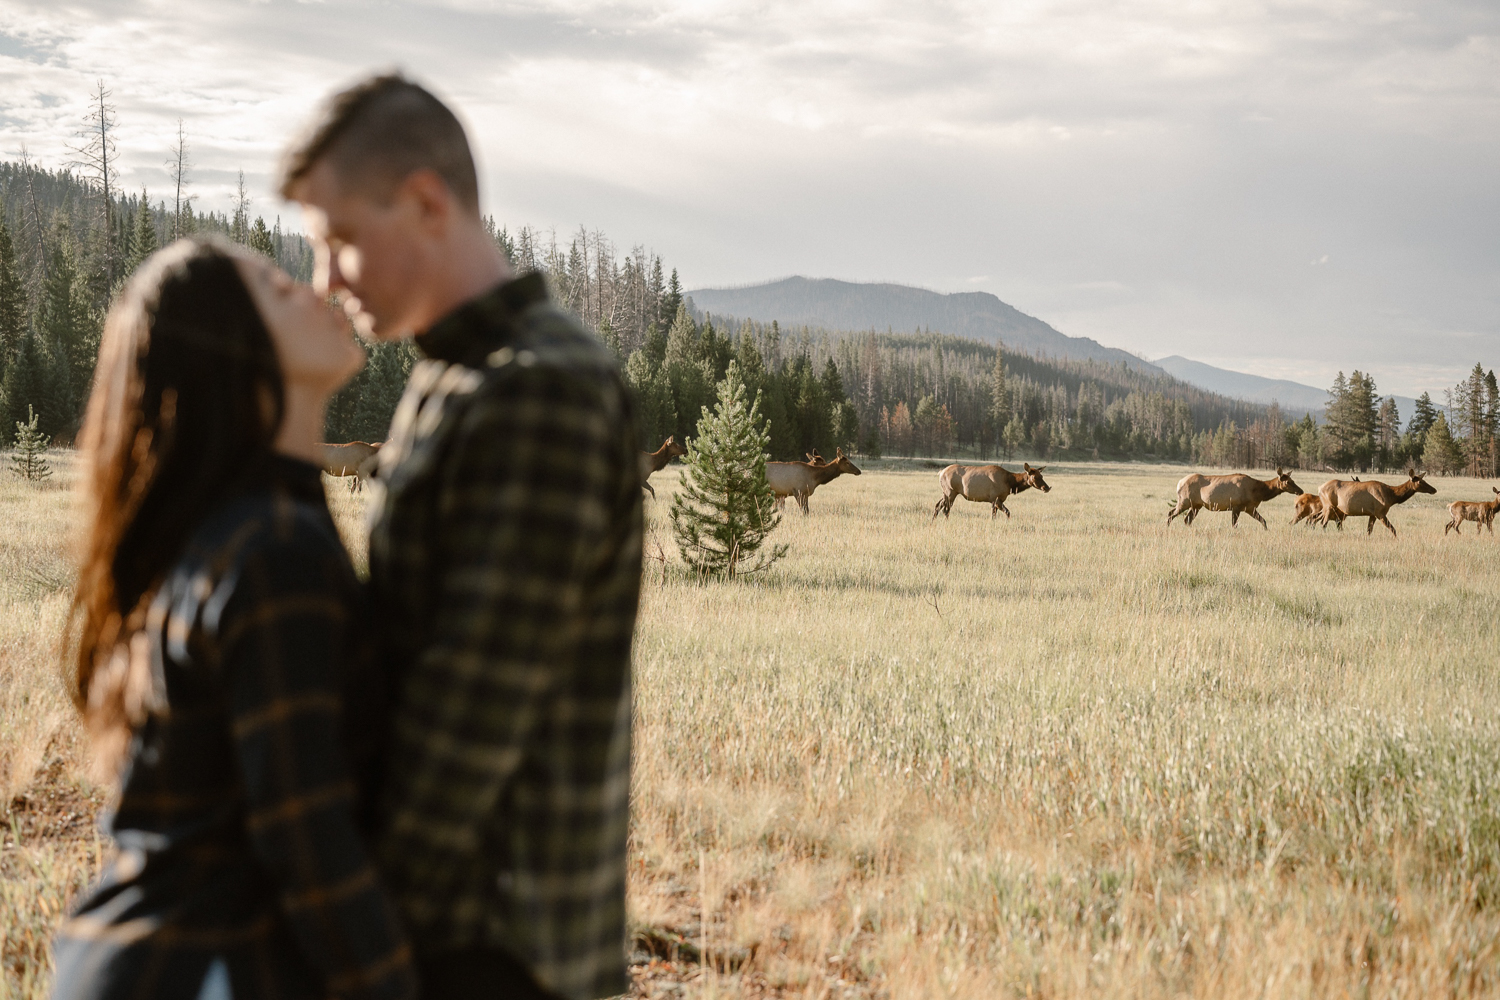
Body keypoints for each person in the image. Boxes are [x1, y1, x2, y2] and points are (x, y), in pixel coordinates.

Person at [279, 75, 643, 1000]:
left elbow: (462, 732)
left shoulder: (535, 390)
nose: (325, 281)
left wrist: (339, 936)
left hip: (491, 947)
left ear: (426, 203)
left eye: (339, 241)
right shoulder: (459, 372)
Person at [52, 237, 417, 1000]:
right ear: (234, 354)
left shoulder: (237, 529)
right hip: (196, 972)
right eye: (280, 291)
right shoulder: (272, 549)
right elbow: (309, 844)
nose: (319, 289)